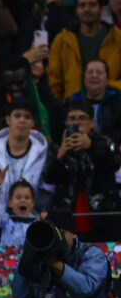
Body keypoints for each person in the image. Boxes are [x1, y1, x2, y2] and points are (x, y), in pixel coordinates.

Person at [0, 99, 53, 245]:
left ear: (32, 122)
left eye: (27, 117)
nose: (22, 121)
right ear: (8, 119)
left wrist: (33, 189)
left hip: (31, 235)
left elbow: (51, 193)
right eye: (17, 116)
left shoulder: (43, 154)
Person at [43, 100, 121, 242]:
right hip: (68, 225)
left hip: (103, 223)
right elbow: (48, 177)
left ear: (92, 123)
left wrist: (91, 146)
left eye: (82, 118)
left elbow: (114, 162)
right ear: (66, 123)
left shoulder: (104, 142)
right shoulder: (57, 149)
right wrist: (60, 154)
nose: (77, 123)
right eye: (72, 119)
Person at [48, 0, 121, 101]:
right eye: (82, 5)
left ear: (101, 9)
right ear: (76, 10)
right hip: (73, 107)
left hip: (113, 106)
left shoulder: (117, 38)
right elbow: (54, 80)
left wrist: (106, 85)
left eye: (92, 5)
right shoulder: (62, 40)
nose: (87, 9)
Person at [0, 55, 65, 144]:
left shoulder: (48, 103)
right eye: (9, 84)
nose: (15, 88)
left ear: (29, 79)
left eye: (20, 83)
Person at [66, 58, 121, 144]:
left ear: (107, 80)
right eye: (90, 72)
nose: (94, 75)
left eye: (99, 72)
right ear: (83, 78)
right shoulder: (72, 102)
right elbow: (67, 128)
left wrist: (96, 144)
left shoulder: (117, 101)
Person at [0, 179, 40, 246]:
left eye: (27, 198)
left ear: (32, 203)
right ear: (10, 203)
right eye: (18, 197)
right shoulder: (5, 221)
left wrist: (48, 217)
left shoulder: (38, 225)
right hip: (6, 256)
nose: (23, 200)